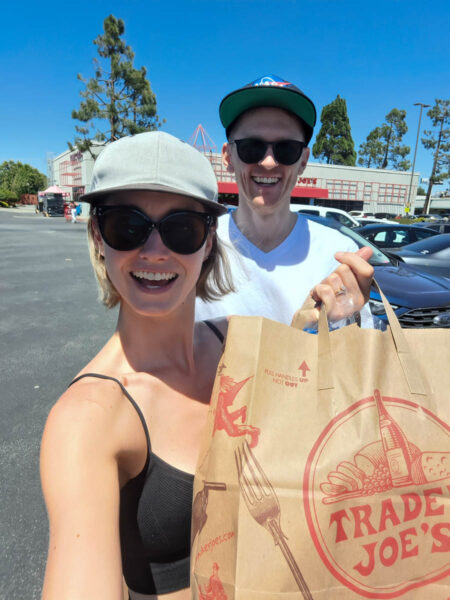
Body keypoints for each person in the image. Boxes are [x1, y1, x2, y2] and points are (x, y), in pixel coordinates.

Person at [40, 131, 372, 600]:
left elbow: (332, 410)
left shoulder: (237, 341)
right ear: (98, 236)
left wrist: (337, 312)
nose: (154, 250)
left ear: (208, 244)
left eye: (181, 229)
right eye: (126, 226)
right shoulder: (88, 418)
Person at [196, 74, 374, 327]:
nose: (268, 162)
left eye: (286, 149)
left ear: (303, 160)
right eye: (251, 147)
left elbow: (358, 356)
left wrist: (343, 321)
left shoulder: (336, 255)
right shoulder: (194, 245)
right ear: (227, 157)